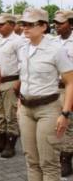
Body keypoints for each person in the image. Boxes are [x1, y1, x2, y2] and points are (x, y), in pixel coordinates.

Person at [15, 8, 73, 181]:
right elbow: (24, 78)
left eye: (30, 24)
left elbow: (70, 82)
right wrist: (20, 103)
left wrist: (65, 113)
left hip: (48, 109)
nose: (25, 28)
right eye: (24, 24)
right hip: (26, 109)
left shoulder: (55, 50)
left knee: (48, 162)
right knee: (31, 161)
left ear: (43, 26)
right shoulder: (23, 48)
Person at [0, 13, 23, 159]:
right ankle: (0, 140)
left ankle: (10, 144)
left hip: (11, 81)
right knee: (0, 114)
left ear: (12, 25)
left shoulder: (19, 41)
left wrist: (19, 81)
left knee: (11, 115)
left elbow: (23, 63)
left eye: (2, 24)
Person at [53, 10, 73, 177]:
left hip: (70, 88)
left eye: (61, 23)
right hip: (55, 87)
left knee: (69, 124)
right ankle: (60, 156)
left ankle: (66, 159)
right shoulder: (53, 42)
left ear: (70, 24)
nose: (57, 26)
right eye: (56, 23)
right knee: (57, 123)